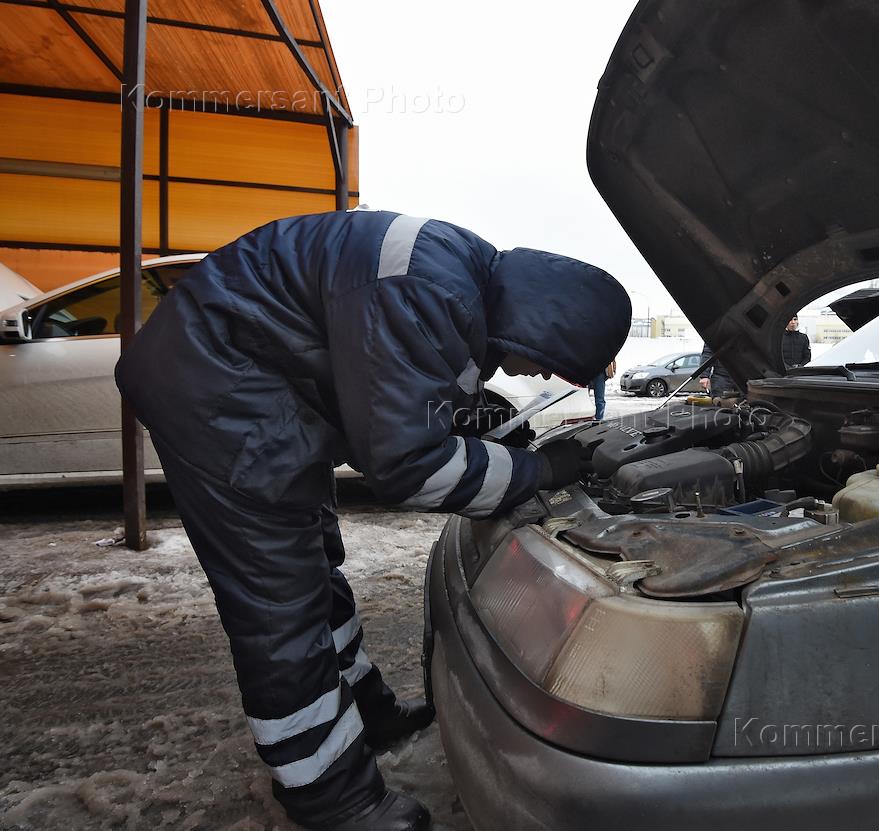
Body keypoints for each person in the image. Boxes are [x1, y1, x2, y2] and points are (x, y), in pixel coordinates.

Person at [115, 211, 631, 831]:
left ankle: (365, 712)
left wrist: (490, 431)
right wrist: (539, 471)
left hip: (259, 385)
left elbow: (404, 395)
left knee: (315, 565)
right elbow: (407, 466)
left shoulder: (460, 283)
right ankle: (331, 798)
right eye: (551, 363)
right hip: (215, 394)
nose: (543, 376)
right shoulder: (428, 294)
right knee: (279, 601)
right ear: (540, 327)